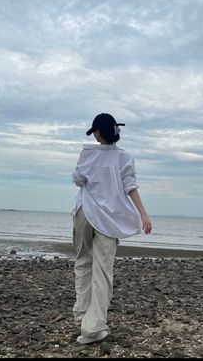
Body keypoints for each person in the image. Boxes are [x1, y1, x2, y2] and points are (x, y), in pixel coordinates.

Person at [72, 113, 152, 345]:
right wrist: (143, 214)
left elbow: (77, 179)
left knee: (83, 262)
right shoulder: (124, 157)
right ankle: (93, 327)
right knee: (103, 271)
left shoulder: (88, 152)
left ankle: (83, 313)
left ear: (98, 133)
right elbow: (131, 186)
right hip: (109, 219)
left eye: (95, 132)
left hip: (84, 214)